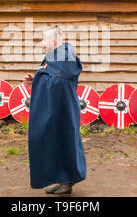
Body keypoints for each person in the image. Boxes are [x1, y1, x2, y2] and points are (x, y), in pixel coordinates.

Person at [23, 26, 87, 195]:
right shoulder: (57, 57)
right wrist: (35, 79)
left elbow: (58, 82)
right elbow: (52, 77)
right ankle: (62, 180)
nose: (43, 44)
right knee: (56, 141)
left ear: (54, 42)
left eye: (44, 40)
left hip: (63, 109)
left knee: (64, 140)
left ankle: (67, 180)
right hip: (57, 107)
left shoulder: (64, 58)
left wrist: (40, 77)